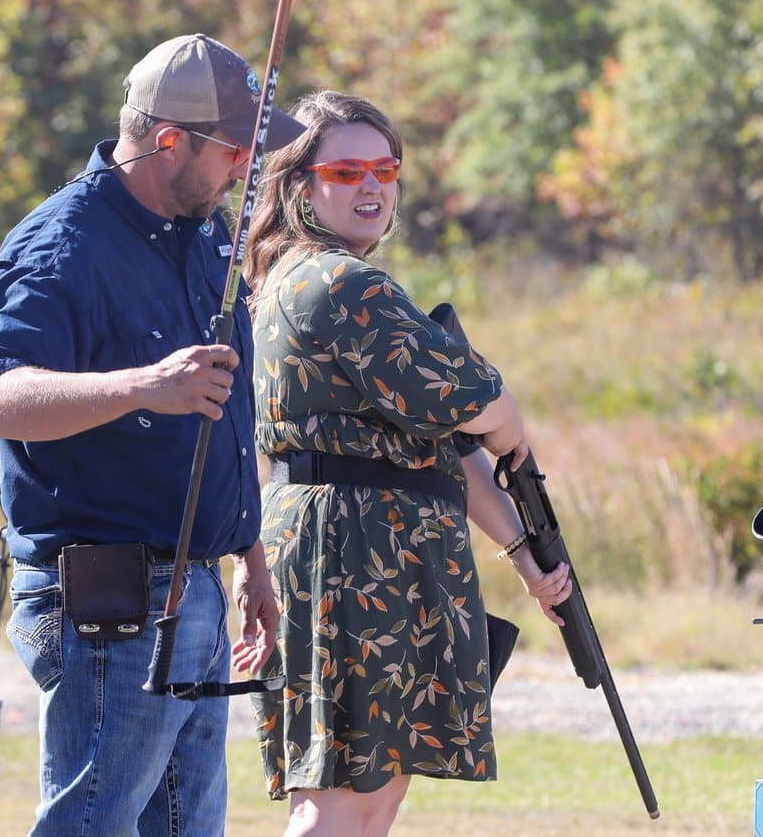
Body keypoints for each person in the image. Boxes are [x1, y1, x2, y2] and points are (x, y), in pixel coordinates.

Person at [0, 33, 306, 836]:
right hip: (109, 605)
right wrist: (144, 386)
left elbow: (225, 412)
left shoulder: (204, 233)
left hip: (198, 588)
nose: (248, 165)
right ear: (169, 140)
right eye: (236, 146)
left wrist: (248, 557)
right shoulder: (61, 246)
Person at [233, 90, 573, 837]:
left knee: (369, 799)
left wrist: (522, 551)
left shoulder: (293, 279)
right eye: (346, 170)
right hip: (357, 557)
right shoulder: (340, 282)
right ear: (300, 185)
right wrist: (503, 412)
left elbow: (433, 450)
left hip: (362, 548)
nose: (371, 187)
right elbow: (479, 408)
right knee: (344, 800)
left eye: (385, 169)